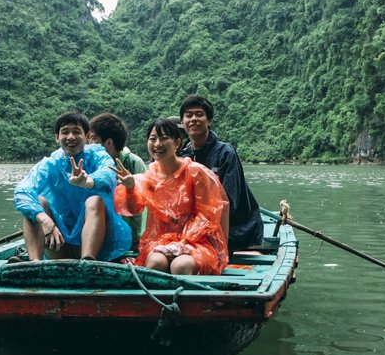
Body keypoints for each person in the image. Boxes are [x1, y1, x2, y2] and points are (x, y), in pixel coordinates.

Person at [113, 117, 228, 275]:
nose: (157, 144)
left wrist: (183, 242)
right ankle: (157, 300)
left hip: (199, 242)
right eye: (152, 139)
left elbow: (208, 215)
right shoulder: (149, 177)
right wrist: (130, 188)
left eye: (164, 138)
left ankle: (187, 300)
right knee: (155, 263)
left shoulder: (195, 172)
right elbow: (133, 209)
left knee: (180, 265)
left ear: (177, 143)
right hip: (161, 242)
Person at [13, 111, 132, 262]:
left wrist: (87, 181)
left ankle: (87, 262)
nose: (70, 137)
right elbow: (22, 191)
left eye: (76, 132)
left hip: (100, 247)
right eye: (65, 132)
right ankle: (35, 264)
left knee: (95, 200)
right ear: (57, 137)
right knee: (37, 203)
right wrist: (43, 218)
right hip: (58, 243)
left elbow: (108, 175)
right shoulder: (50, 163)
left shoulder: (98, 155)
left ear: (88, 136)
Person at [178, 95, 264, 251]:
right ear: (182, 122)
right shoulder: (183, 156)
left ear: (209, 121)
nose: (193, 119)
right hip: (196, 227)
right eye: (188, 115)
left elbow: (229, 202)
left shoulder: (225, 153)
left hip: (234, 229)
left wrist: (197, 230)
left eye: (199, 114)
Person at [89, 112, 148, 250]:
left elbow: (140, 209)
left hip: (128, 238)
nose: (89, 145)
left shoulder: (133, 163)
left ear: (108, 142)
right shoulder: (90, 162)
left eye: (93, 139)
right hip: (98, 232)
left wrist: (136, 241)